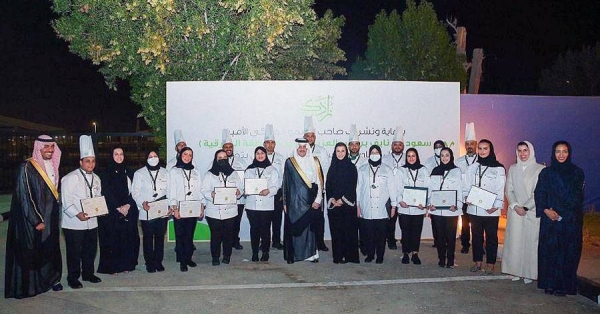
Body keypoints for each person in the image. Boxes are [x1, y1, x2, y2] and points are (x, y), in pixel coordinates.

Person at [5, 135, 63, 298]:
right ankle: (30, 286)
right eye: (46, 147)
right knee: (32, 250)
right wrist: (36, 219)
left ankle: (51, 280)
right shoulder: (27, 166)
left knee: (50, 248)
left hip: (50, 217)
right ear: (38, 147)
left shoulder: (53, 164)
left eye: (52, 147)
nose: (50, 150)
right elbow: (24, 195)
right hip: (33, 221)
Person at [534, 141, 585, 296]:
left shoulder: (577, 172)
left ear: (569, 153)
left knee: (567, 253)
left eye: (564, 151)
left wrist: (560, 212)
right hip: (550, 220)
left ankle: (564, 286)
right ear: (553, 153)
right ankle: (549, 284)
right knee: (549, 252)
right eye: (558, 151)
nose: (561, 155)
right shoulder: (546, 173)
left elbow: (577, 196)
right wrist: (546, 210)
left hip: (569, 220)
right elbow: (539, 193)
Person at [60, 135, 102, 289]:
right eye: (87, 161)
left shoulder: (97, 179)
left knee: (90, 250)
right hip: (74, 223)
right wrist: (77, 213)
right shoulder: (70, 178)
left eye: (93, 161)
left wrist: (100, 209)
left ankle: (88, 273)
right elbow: (66, 201)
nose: (90, 164)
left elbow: (97, 198)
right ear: (81, 162)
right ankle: (73, 277)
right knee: (74, 252)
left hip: (92, 222)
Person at [502, 141, 544, 283]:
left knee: (530, 243)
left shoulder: (540, 169)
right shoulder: (513, 168)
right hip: (515, 211)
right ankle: (514, 271)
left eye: (525, 150)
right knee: (515, 242)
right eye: (519, 150)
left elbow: (538, 193)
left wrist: (526, 207)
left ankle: (528, 273)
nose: (522, 153)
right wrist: (515, 206)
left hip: (531, 212)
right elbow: (509, 189)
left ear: (530, 151)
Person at [464, 139, 505, 275]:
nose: (482, 151)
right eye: (480, 149)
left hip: (491, 210)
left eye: (485, 148)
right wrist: (466, 198)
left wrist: (496, 205)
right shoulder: (473, 167)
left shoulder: (499, 168)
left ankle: (491, 264)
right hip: (474, 208)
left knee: (491, 237)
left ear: (490, 150)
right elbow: (466, 185)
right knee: (476, 236)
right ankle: (477, 262)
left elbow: (500, 188)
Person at [97, 147, 139, 275]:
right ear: (111, 156)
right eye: (116, 154)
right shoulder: (105, 173)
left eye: (121, 154)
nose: (119, 156)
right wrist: (118, 207)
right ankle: (112, 268)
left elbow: (135, 191)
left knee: (127, 239)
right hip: (111, 211)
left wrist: (127, 205)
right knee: (112, 239)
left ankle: (126, 265)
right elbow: (106, 191)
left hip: (128, 209)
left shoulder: (129, 172)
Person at [282, 138, 323, 264]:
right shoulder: (290, 162)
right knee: (295, 229)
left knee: (310, 229)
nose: (302, 149)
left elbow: (319, 183)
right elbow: (285, 184)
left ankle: (311, 254)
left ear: (308, 148)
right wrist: (284, 202)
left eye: (304, 147)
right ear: (296, 148)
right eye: (299, 147)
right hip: (294, 203)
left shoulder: (315, 161)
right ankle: (294, 255)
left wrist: (318, 199)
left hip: (310, 202)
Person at [357, 145, 398, 263]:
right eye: (372, 152)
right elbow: (358, 188)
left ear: (380, 154)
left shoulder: (387, 169)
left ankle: (380, 256)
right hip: (366, 206)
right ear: (369, 154)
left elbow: (392, 189)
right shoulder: (363, 169)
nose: (374, 154)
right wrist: (358, 205)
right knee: (368, 234)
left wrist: (394, 206)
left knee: (381, 235)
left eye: (377, 152)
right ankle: (370, 255)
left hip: (382, 207)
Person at [132, 150, 171, 273]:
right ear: (146, 158)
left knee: (160, 237)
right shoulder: (139, 173)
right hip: (147, 211)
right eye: (150, 156)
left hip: (162, 210)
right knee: (148, 238)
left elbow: (170, 191)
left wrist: (170, 206)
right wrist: (142, 203)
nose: (153, 158)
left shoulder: (166, 172)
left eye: (155, 156)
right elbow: (135, 192)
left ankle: (158, 262)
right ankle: (149, 263)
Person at [202, 149, 242, 266]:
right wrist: (211, 194)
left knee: (228, 235)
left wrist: (238, 192)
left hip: (230, 211)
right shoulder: (209, 174)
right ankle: (215, 257)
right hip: (214, 211)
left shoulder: (234, 174)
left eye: (224, 157)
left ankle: (226, 255)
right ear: (216, 159)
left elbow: (241, 188)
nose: (222, 159)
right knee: (216, 236)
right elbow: (204, 190)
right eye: (220, 157)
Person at [168, 147, 203, 271]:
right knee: (180, 235)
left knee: (189, 235)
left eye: (190, 155)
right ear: (180, 155)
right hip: (180, 208)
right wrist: (174, 208)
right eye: (185, 154)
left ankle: (188, 258)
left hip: (193, 208)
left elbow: (200, 191)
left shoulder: (196, 172)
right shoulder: (174, 171)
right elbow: (171, 191)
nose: (187, 157)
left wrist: (201, 207)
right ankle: (182, 261)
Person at [428, 147, 463, 268]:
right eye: (442, 155)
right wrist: (430, 204)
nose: (444, 158)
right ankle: (441, 259)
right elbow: (431, 190)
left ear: (451, 156)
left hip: (451, 210)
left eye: (447, 155)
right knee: (440, 237)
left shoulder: (457, 171)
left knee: (451, 236)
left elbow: (460, 190)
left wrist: (457, 205)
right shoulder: (435, 171)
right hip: (437, 210)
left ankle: (451, 260)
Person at [326, 142, 360, 264]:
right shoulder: (332, 167)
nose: (340, 153)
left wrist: (342, 200)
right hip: (334, 207)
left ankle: (349, 256)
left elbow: (352, 186)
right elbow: (328, 186)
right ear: (335, 153)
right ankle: (338, 256)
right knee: (336, 232)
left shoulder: (351, 167)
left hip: (347, 207)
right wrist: (332, 200)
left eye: (342, 151)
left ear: (346, 153)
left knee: (348, 232)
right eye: (338, 151)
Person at [244, 146, 279, 262]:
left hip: (266, 205)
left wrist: (269, 191)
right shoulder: (249, 169)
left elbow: (276, 186)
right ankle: (254, 253)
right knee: (254, 230)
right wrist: (245, 190)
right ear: (255, 155)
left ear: (265, 155)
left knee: (265, 230)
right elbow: (244, 185)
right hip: (251, 205)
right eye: (257, 153)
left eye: (262, 153)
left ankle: (265, 252)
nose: (260, 155)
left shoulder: (272, 170)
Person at [398, 148, 430, 265]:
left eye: (413, 156)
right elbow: (397, 188)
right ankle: (405, 253)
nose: (411, 158)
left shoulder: (424, 170)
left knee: (416, 231)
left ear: (417, 157)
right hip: (404, 208)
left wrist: (425, 203)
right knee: (405, 231)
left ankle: (415, 253)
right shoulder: (401, 170)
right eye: (409, 156)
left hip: (418, 209)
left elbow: (428, 188)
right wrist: (400, 201)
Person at [303, 116, 329, 251]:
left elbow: (325, 170)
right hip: (303, 192)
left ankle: (320, 242)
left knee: (319, 218)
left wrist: (322, 188)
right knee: (305, 217)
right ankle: (306, 242)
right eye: (307, 135)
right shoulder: (299, 151)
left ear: (315, 137)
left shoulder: (322, 151)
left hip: (318, 189)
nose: (310, 138)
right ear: (303, 136)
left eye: (312, 136)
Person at [222, 129, 249, 250]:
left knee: (236, 222)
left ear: (233, 148)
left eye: (230, 146)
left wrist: (242, 191)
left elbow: (246, 179)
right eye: (226, 146)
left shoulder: (241, 162)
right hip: (223, 198)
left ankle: (235, 241)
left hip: (238, 198)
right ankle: (225, 241)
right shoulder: (217, 162)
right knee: (225, 222)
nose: (228, 148)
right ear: (223, 148)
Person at [381, 125, 406, 250]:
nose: (397, 147)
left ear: (403, 146)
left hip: (404, 195)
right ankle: (390, 240)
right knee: (390, 220)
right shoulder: (384, 159)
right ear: (391, 146)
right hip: (389, 196)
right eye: (395, 144)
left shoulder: (408, 159)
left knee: (404, 221)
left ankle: (405, 241)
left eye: (399, 144)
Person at [455, 122, 477, 254]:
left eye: (472, 144)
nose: (469, 146)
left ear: (476, 144)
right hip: (464, 197)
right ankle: (465, 244)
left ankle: (478, 244)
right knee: (464, 222)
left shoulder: (481, 160)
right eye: (467, 144)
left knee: (477, 223)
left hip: (478, 197)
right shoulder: (459, 161)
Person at [263, 124, 286, 250]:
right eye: (267, 142)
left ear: (275, 144)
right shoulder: (259, 157)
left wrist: (283, 193)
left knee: (277, 219)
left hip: (277, 194)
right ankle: (264, 242)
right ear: (264, 144)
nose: (270, 145)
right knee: (265, 221)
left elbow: (284, 177)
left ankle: (276, 241)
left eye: (272, 142)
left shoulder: (281, 158)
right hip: (264, 193)